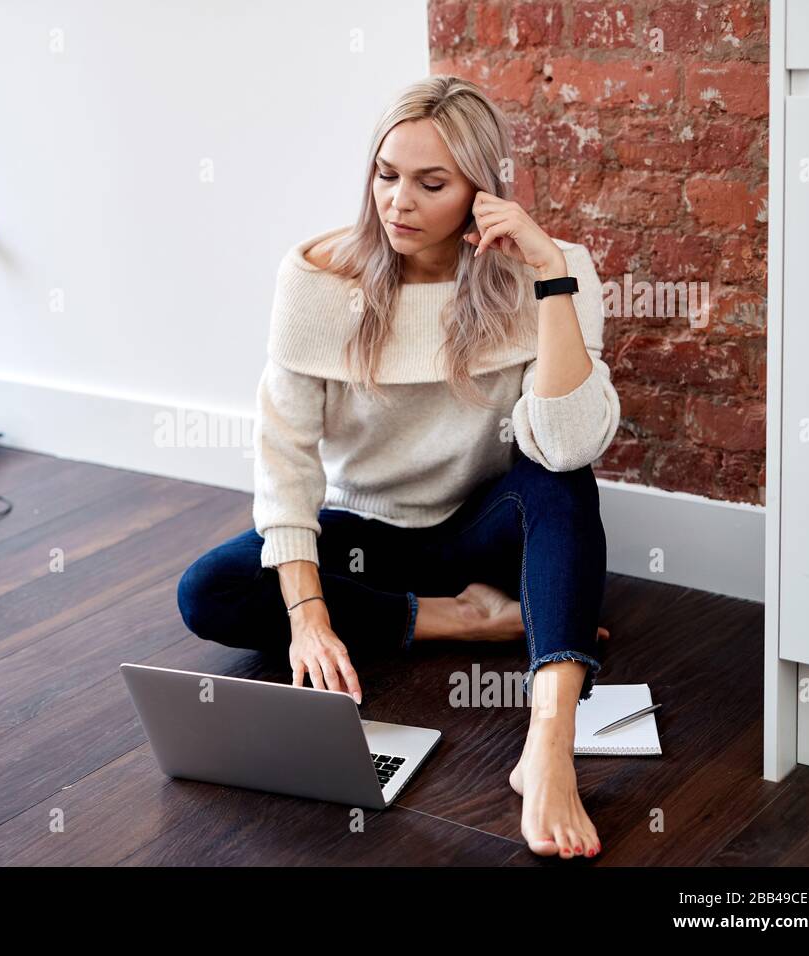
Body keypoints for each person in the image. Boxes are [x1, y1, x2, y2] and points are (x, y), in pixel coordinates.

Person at [176, 76, 621, 860]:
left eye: (431, 182)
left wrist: (551, 275)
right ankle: (460, 617)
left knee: (561, 484)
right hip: (365, 534)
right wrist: (309, 614)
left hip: (483, 526)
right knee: (210, 589)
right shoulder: (316, 282)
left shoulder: (549, 272)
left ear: (481, 193)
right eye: (386, 175)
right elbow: (284, 459)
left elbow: (567, 443)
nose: (398, 202)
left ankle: (549, 743)